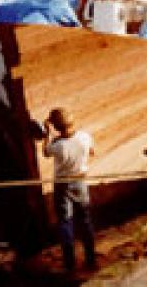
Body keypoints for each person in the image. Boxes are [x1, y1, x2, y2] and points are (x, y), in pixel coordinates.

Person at [42, 107, 98, 272]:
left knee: (66, 223)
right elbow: (93, 152)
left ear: (56, 127)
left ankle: (70, 264)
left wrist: (47, 133)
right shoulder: (85, 137)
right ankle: (91, 259)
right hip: (81, 182)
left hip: (63, 185)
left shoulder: (58, 145)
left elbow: (45, 152)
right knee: (85, 220)